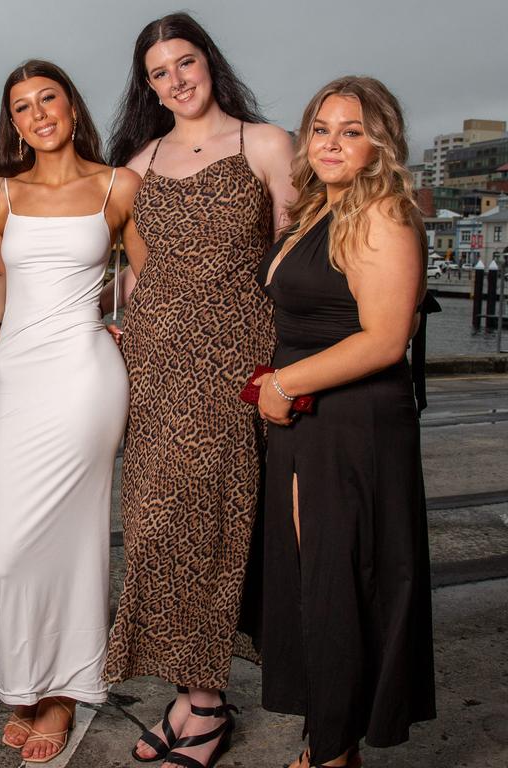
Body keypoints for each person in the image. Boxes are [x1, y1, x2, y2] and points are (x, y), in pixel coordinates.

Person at [102, 13, 297, 768]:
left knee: (212, 523)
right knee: (154, 525)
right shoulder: (139, 161)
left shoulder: (266, 143)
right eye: (159, 72)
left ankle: (207, 705)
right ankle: (191, 692)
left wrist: (293, 363)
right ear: (146, 84)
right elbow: (140, 271)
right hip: (156, 364)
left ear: (208, 63)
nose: (176, 80)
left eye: (186, 62)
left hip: (233, 362)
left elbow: (289, 259)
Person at [254, 76, 435, 768]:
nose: (332, 142)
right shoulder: (315, 211)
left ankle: (330, 755)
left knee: (339, 584)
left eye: (352, 130)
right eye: (321, 128)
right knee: (317, 584)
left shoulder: (382, 212)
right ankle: (330, 744)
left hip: (351, 423)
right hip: (309, 421)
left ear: (378, 143)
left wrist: (285, 382)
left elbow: (385, 338)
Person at [0, 59, 143, 764]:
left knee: (75, 538)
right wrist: (12, 344)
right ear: (12, 123)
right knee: (11, 551)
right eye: (22, 105)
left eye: (48, 98)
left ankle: (63, 693)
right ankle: (29, 675)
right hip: (18, 381)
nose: (38, 113)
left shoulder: (117, 185)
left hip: (84, 377)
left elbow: (153, 279)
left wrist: (119, 328)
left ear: (72, 108)